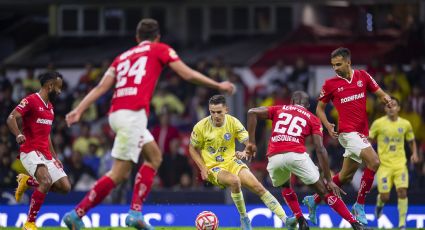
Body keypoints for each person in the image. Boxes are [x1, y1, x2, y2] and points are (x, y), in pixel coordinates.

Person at [62, 18, 235, 230]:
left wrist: (79, 109)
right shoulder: (159, 49)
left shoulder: (122, 57)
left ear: (137, 38)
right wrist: (218, 84)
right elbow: (187, 74)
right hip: (133, 116)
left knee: (154, 156)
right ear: (157, 37)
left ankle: (135, 212)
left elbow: (100, 87)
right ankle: (77, 214)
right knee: (119, 173)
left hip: (117, 113)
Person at [246, 91, 364, 230]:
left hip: (274, 156)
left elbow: (252, 112)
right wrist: (328, 179)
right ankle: (355, 224)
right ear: (307, 105)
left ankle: (300, 219)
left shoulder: (279, 108)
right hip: (296, 155)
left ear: (291, 102)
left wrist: (252, 142)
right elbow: (320, 149)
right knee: (324, 192)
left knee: (285, 186)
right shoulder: (313, 118)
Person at [303, 47, 393, 225]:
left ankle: (314, 199)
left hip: (361, 133)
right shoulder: (330, 84)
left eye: (338, 64)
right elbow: (319, 108)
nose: (335, 68)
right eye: (333, 65)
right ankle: (359, 205)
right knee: (374, 162)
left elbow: (381, 93)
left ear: (348, 62)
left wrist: (387, 100)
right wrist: (327, 125)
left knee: (344, 177)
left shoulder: (363, 76)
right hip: (347, 133)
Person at [189, 95, 297, 230]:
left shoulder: (233, 122)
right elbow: (192, 148)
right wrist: (203, 168)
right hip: (214, 168)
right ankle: (244, 219)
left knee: (258, 187)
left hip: (232, 162)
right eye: (212, 112)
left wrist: (246, 151)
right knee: (234, 181)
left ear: (226, 110)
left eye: (219, 112)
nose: (215, 115)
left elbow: (248, 142)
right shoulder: (201, 127)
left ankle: (286, 220)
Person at [7, 71, 71, 230]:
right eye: (58, 87)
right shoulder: (31, 100)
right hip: (29, 150)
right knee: (46, 181)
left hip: (46, 154)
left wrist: (55, 157)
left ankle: (27, 181)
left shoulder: (51, 108)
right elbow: (11, 118)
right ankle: (29, 223)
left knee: (65, 188)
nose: (60, 91)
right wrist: (18, 134)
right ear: (50, 86)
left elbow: (47, 135)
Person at [369, 97, 419, 230]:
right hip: (384, 165)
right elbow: (369, 140)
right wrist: (369, 156)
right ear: (385, 109)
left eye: (394, 105)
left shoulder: (405, 124)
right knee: (385, 197)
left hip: (400, 165)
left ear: (398, 108)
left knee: (402, 192)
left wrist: (415, 153)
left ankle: (402, 224)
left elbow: (412, 140)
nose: (391, 108)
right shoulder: (378, 123)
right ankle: (379, 205)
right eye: (388, 106)